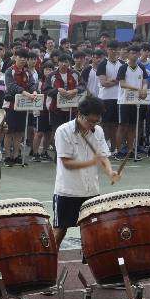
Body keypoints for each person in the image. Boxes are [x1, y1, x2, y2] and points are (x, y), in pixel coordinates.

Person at [52, 96, 119, 250]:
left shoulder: (98, 130)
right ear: (79, 115)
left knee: (92, 231)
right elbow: (66, 163)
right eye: (89, 121)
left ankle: (92, 264)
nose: (92, 125)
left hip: (91, 191)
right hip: (67, 191)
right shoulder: (63, 131)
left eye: (96, 121)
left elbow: (102, 156)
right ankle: (49, 262)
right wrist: (91, 162)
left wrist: (110, 172)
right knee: (59, 231)